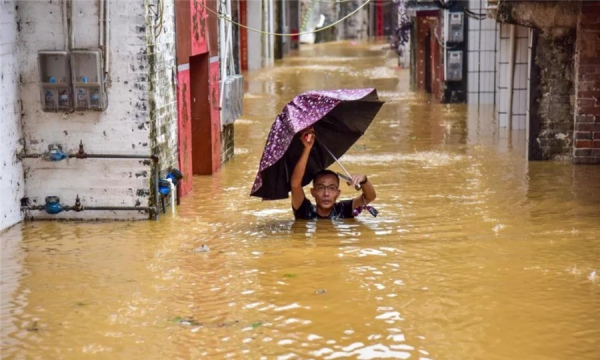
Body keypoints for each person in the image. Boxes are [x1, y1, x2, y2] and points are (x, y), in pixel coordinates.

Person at [291, 127, 376, 220]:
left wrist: (364, 180)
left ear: (338, 193)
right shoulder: (305, 211)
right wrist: (307, 148)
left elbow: (369, 197)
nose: (326, 194)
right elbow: (295, 185)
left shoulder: (344, 210)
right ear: (313, 192)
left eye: (332, 188)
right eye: (321, 187)